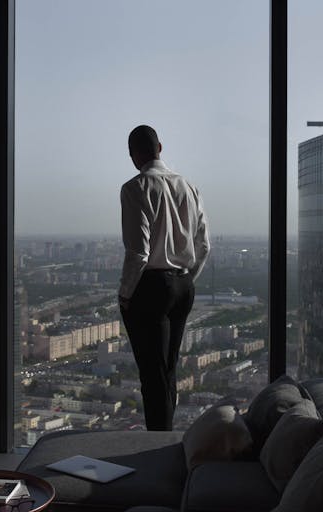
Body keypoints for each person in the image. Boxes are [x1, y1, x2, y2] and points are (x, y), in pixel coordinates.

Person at [119, 124, 210, 431]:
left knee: (152, 376)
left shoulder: (135, 188)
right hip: (183, 286)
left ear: (134, 156)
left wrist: (125, 293)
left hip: (151, 288)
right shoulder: (189, 186)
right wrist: (186, 278)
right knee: (168, 369)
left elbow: (139, 253)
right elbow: (204, 244)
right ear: (160, 148)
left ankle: (157, 444)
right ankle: (167, 440)